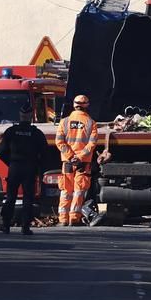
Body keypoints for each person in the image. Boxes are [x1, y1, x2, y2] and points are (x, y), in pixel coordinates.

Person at [0, 104, 49, 235]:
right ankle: (25, 227)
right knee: (28, 198)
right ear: (31, 116)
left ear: (20, 116)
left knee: (10, 197)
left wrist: (10, 163)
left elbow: (1, 151)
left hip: (15, 167)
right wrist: (38, 167)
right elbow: (45, 153)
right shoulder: (36, 133)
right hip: (30, 168)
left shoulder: (11, 132)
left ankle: (6, 225)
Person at [55, 95, 98, 226]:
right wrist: (79, 157)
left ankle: (63, 219)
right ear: (86, 105)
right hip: (83, 162)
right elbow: (92, 144)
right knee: (79, 190)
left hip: (67, 162)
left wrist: (70, 156)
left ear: (74, 105)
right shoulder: (91, 123)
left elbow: (59, 141)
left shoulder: (64, 122)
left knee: (66, 190)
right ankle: (74, 218)